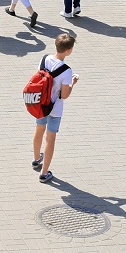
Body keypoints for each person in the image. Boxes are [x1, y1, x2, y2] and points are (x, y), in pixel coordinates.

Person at [32, 32, 78, 184]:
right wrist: (72, 84)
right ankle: (44, 173)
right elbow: (64, 95)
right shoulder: (67, 70)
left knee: (39, 130)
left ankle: (36, 159)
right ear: (68, 51)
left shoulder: (44, 59)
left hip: (41, 103)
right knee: (50, 139)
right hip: (54, 108)